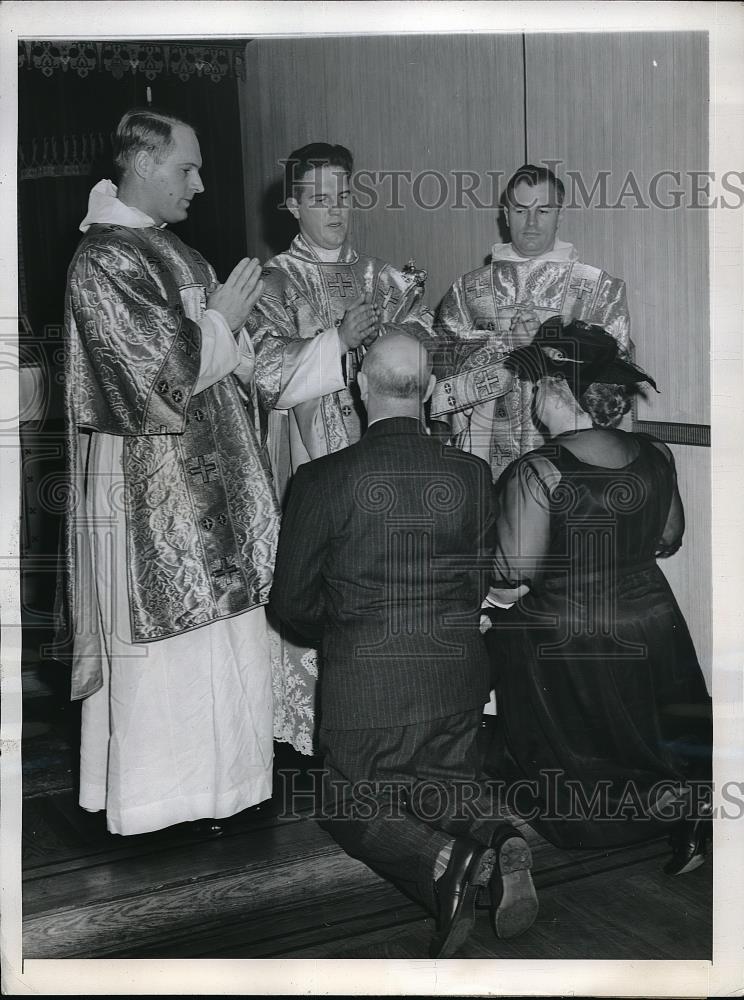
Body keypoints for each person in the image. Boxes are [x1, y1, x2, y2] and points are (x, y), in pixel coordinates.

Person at [269, 333, 538, 958]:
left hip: (366, 684)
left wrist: (344, 634)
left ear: (362, 387)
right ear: (425, 392)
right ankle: (499, 835)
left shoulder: (322, 479)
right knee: (435, 780)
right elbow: (475, 582)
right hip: (457, 674)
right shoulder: (471, 475)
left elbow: (290, 605)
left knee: (343, 797)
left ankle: (446, 861)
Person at [60, 108, 281, 836]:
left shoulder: (180, 254)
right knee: (169, 647)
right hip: (148, 488)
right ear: (143, 164)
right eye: (186, 168)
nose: (200, 182)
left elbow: (226, 369)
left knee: (227, 638)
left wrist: (239, 337)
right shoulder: (103, 262)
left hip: (212, 478)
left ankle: (231, 787)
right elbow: (156, 387)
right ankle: (163, 801)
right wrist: (219, 322)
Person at [484, 317, 712, 872]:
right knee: (661, 736)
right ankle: (688, 815)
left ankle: (585, 820)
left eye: (536, 384)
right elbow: (669, 537)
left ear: (558, 392)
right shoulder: (656, 454)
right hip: (652, 621)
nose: (530, 395)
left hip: (569, 632)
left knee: (497, 636)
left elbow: (513, 570)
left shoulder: (539, 470)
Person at [252, 143, 435, 755]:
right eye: (320, 198)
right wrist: (335, 342)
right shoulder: (273, 280)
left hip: (385, 451)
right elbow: (263, 373)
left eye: (344, 196)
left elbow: (423, 351)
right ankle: (320, 723)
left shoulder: (386, 278)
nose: (335, 210)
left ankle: (395, 708)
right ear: (293, 204)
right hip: (311, 459)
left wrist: (398, 335)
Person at [434, 164, 631, 481]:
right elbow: (444, 383)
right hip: (488, 459)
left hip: (575, 468)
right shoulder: (468, 292)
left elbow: (615, 389)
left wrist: (545, 348)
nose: (531, 222)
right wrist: (506, 347)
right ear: (506, 214)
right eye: (521, 210)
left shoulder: (599, 290)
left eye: (544, 210)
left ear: (560, 215)